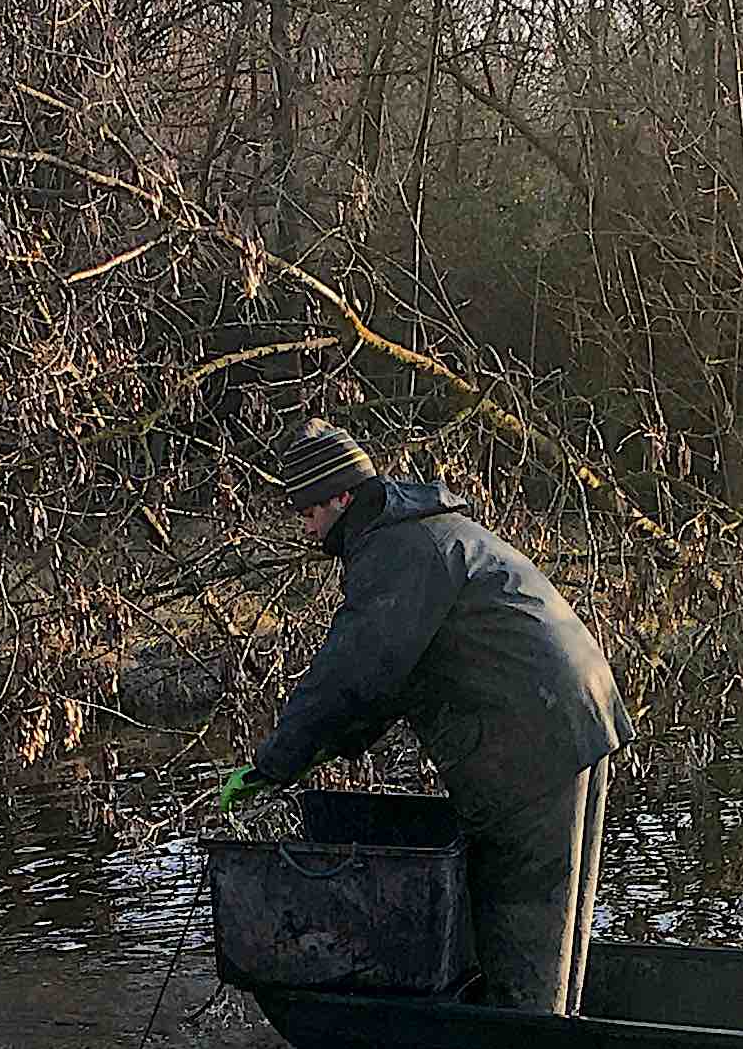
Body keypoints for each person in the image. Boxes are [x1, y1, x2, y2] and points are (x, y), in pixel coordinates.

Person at [211, 424, 633, 1013]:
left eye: (308, 509)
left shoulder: (399, 552)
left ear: (340, 497)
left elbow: (350, 676)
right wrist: (326, 747)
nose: (305, 527)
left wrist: (273, 765)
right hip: (574, 715)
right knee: (559, 925)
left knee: (521, 920)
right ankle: (554, 1033)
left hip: (529, 739)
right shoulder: (425, 533)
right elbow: (383, 688)